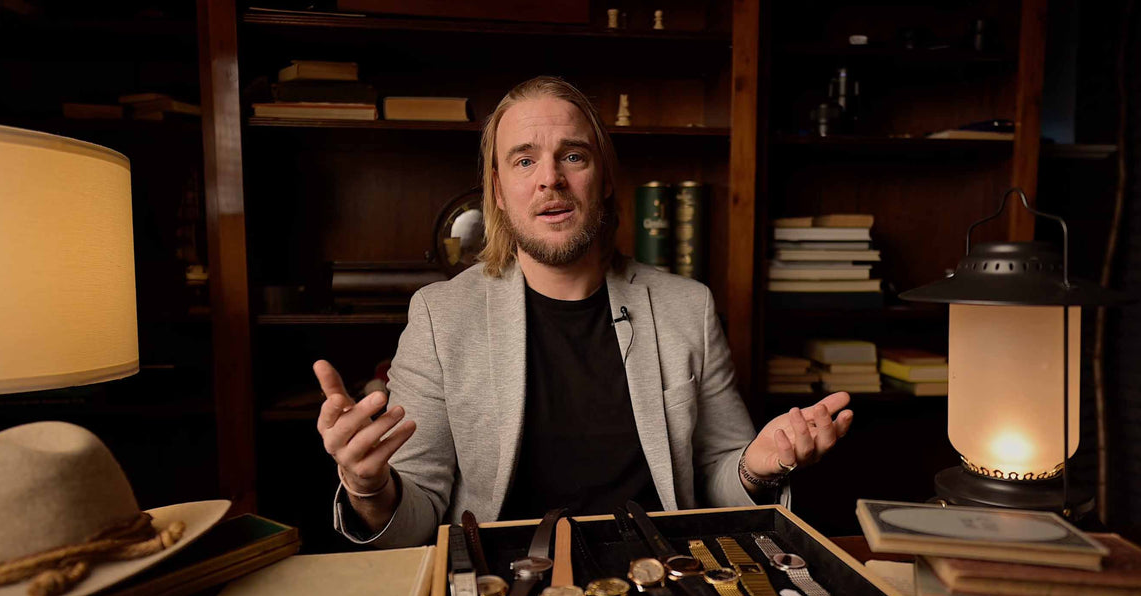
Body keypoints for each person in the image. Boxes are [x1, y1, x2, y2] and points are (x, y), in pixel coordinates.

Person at [315, 76, 853, 548]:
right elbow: (416, 520)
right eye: (524, 160)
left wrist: (758, 468)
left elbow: (720, 480)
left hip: (663, 574)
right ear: (498, 191)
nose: (550, 178)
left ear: (605, 178)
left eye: (573, 155)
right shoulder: (440, 316)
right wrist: (368, 489)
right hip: (503, 588)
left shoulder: (686, 307)